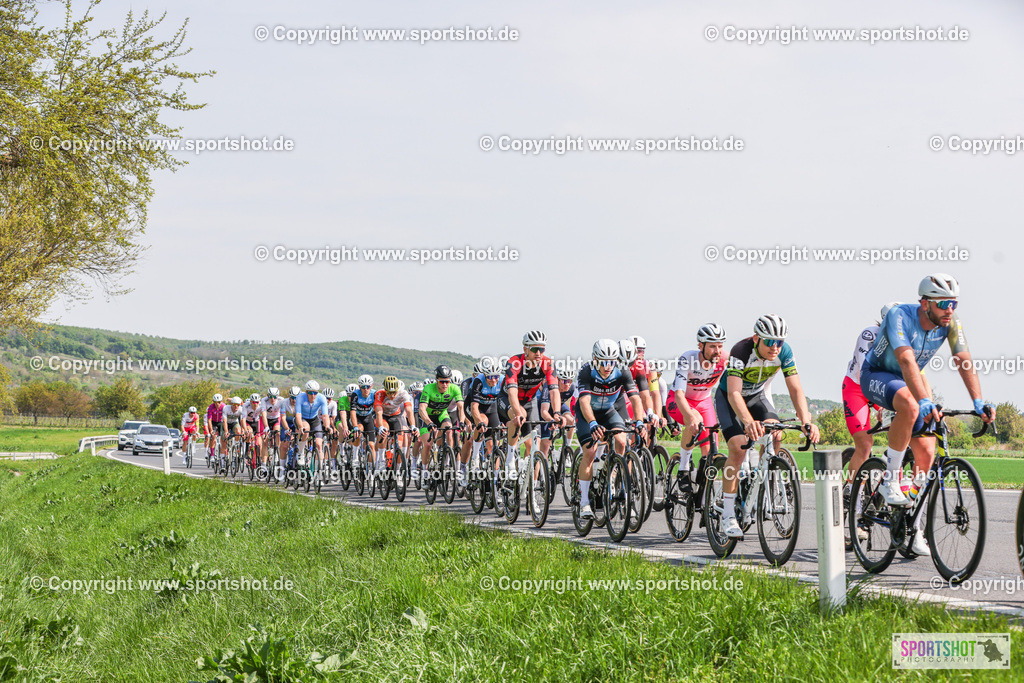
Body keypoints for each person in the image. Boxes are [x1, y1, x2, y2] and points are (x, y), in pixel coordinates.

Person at [860, 273, 995, 556]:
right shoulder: (900, 315)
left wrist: (979, 401)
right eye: (944, 303)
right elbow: (906, 359)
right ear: (925, 304)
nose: (950, 310)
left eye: (954, 304)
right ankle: (889, 480)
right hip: (879, 375)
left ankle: (914, 528)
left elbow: (963, 360)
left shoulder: (950, 324)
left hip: (911, 382)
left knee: (926, 454)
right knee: (910, 405)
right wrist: (922, 399)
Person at [716, 314, 820, 539]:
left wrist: (806, 420)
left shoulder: (784, 352)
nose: (775, 347)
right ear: (756, 338)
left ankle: (761, 484)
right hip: (729, 398)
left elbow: (795, 390)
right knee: (739, 446)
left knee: (776, 434)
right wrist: (747, 421)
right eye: (769, 342)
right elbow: (734, 393)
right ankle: (727, 515)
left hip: (756, 396)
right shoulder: (740, 351)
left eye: (779, 342)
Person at [575, 339, 644, 520]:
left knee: (623, 441)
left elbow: (635, 398)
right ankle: (584, 502)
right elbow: (584, 401)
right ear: (595, 359)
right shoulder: (586, 371)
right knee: (589, 452)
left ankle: (618, 483)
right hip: (587, 413)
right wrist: (592, 423)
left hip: (608, 411)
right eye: (603, 361)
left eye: (611, 362)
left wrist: (639, 421)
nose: (607, 366)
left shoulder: (622, 371)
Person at [667, 323, 728, 496]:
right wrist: (690, 417)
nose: (717, 351)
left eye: (720, 346)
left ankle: (702, 492)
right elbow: (679, 394)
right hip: (680, 401)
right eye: (712, 346)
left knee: (710, 449)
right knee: (694, 420)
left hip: (704, 401)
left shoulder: (725, 359)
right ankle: (683, 469)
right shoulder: (688, 358)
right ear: (701, 346)